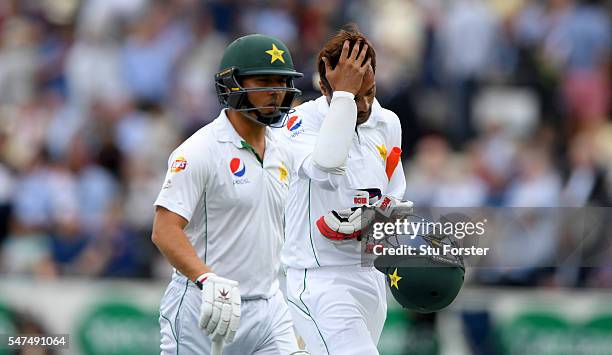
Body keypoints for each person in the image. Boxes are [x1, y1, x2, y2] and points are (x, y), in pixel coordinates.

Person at [151, 34, 307, 355]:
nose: (276, 92)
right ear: (232, 85)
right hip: (202, 307)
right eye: (263, 81)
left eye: (281, 82)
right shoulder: (199, 150)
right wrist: (206, 279)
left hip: (268, 307)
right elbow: (164, 230)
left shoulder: (285, 151)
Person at [280, 28, 408, 355]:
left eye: (371, 91)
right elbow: (325, 167)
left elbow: (394, 196)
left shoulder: (387, 122)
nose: (364, 105)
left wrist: (371, 221)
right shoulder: (297, 122)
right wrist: (343, 99)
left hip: (370, 275)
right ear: (324, 87)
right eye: (355, 95)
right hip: (317, 277)